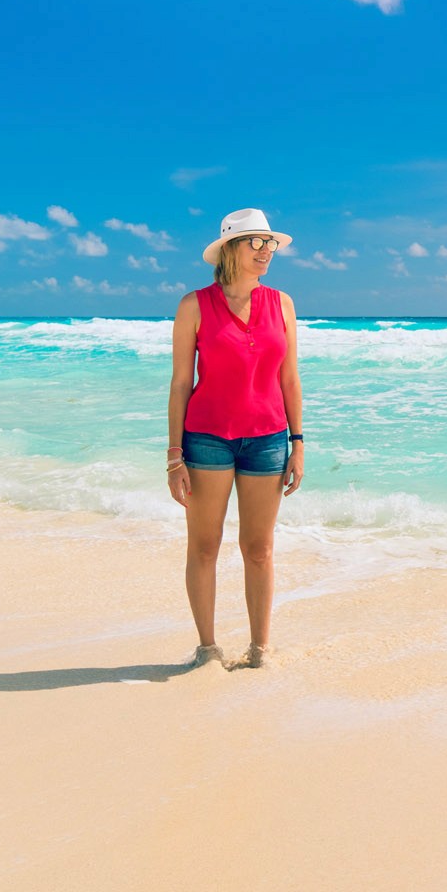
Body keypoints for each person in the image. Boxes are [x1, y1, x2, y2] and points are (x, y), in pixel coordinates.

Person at [166, 208, 305, 669]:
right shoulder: (194, 305)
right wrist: (173, 455)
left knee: (259, 549)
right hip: (206, 439)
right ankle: (207, 648)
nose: (268, 251)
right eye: (257, 242)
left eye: (271, 243)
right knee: (204, 547)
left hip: (268, 439)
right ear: (230, 249)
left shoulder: (282, 304)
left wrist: (298, 441)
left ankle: (259, 649)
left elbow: (290, 378)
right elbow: (181, 382)